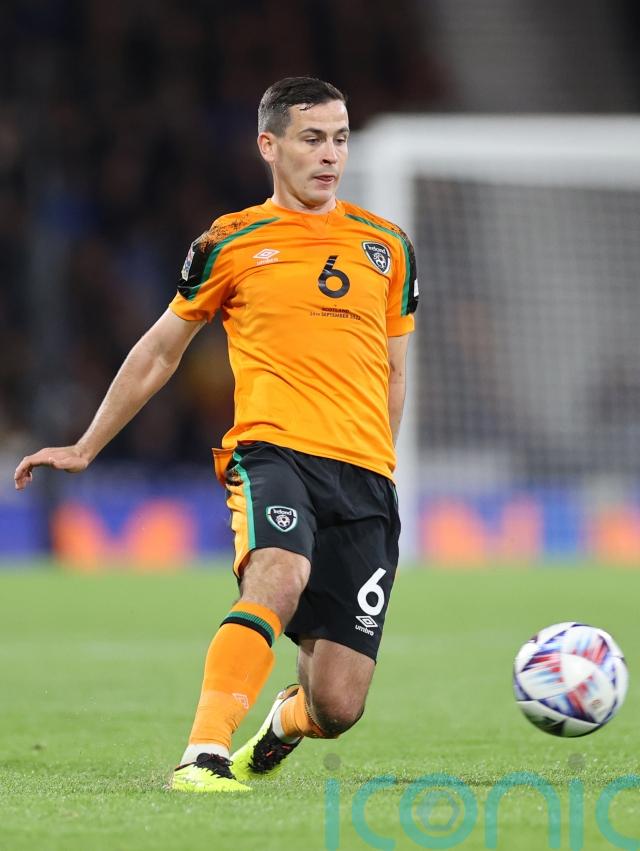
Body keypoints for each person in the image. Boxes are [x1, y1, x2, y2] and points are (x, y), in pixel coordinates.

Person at [14, 77, 419, 793]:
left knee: (337, 705)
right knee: (278, 574)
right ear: (269, 145)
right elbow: (160, 350)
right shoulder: (230, 240)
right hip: (274, 452)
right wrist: (85, 444)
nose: (330, 154)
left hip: (364, 476)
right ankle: (202, 752)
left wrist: (380, 469)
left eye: (340, 138)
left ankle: (282, 722)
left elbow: (393, 371)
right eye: (312, 138)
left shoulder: (388, 246)